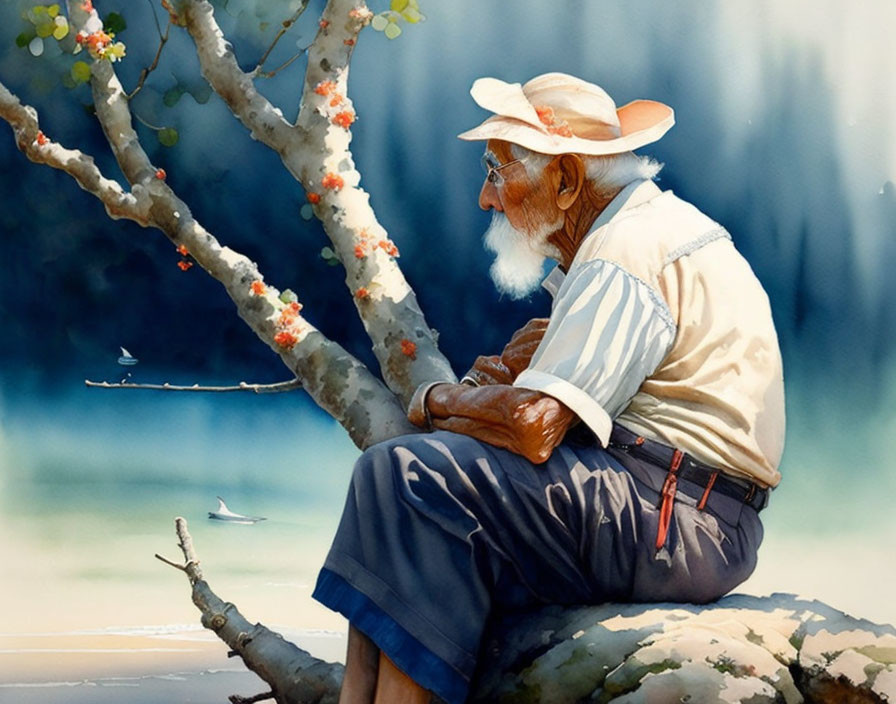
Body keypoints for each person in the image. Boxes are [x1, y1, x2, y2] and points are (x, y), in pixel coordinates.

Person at [312, 72, 785, 704]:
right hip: (674, 510)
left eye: (498, 170)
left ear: (564, 181)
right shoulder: (636, 235)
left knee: (408, 475)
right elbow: (547, 385)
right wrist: (504, 381)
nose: (486, 197)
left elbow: (534, 428)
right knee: (387, 479)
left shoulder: (624, 253)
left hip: (680, 521)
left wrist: (438, 401)